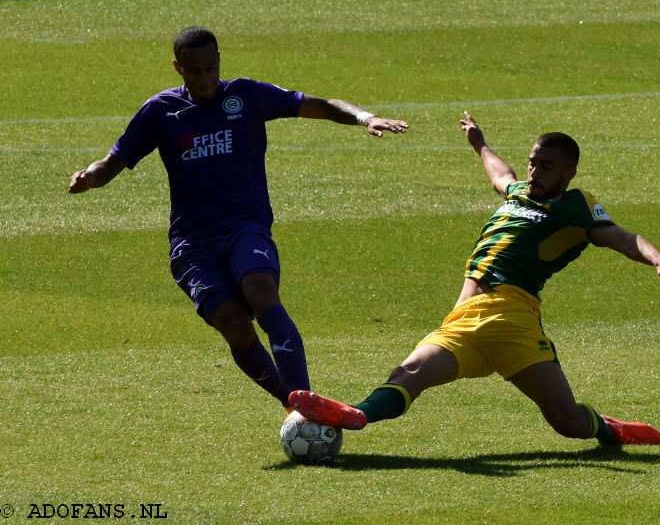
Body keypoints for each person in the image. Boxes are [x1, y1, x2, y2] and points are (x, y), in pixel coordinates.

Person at [289, 111, 660, 446]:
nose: (535, 171)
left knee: (567, 422)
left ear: (569, 173)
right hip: (463, 321)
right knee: (408, 375)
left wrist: (659, 259)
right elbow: (500, 175)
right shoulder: (519, 192)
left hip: (512, 322)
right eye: (534, 161)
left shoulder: (576, 206)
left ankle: (614, 430)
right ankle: (358, 414)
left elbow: (623, 238)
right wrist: (480, 144)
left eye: (546, 166)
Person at [68, 26, 408, 413]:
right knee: (235, 325)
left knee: (262, 295)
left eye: (211, 67)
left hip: (245, 227)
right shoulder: (160, 112)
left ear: (219, 62)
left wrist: (365, 117)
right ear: (178, 68)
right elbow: (113, 161)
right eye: (194, 70)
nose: (205, 78)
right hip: (192, 245)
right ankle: (294, 405)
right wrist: (90, 178)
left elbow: (320, 104)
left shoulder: (245, 95)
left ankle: (306, 397)